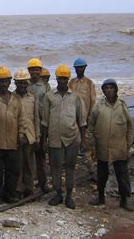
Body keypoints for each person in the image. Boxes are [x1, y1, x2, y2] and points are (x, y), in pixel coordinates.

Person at [42, 64, 86, 209]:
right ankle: (58, 194)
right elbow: (45, 121)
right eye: (60, 78)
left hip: (73, 137)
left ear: (67, 79)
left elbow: (82, 120)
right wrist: (43, 140)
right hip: (54, 137)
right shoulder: (49, 97)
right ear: (56, 78)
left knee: (70, 167)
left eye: (64, 78)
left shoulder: (75, 97)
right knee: (55, 168)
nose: (62, 81)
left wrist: (83, 140)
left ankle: (69, 196)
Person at [88, 78, 134, 211]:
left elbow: (130, 128)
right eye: (106, 88)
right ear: (103, 91)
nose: (109, 90)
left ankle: (124, 200)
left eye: (111, 88)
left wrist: (127, 146)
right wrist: (93, 145)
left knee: (122, 174)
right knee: (102, 174)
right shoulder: (99, 106)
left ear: (115, 90)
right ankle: (100, 197)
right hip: (102, 146)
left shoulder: (122, 106)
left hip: (119, 147)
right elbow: (91, 127)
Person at [0, 66, 27, 204]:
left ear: (10, 82)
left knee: (13, 169)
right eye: (1, 81)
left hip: (13, 142)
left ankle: (10, 194)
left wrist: (21, 134)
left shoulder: (16, 99)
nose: (4, 84)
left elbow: (21, 119)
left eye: (6, 81)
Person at [68, 58, 97, 179]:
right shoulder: (71, 83)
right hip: (72, 119)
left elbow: (93, 101)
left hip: (85, 119)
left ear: (85, 68)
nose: (79, 69)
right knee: (71, 143)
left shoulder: (89, 83)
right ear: (74, 69)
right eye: (77, 68)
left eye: (81, 67)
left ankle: (91, 168)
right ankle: (71, 169)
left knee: (86, 145)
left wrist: (90, 118)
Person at [13, 69, 39, 198]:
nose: (22, 86)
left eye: (24, 83)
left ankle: (29, 188)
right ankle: (18, 189)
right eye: (19, 83)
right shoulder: (12, 98)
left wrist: (38, 137)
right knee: (18, 164)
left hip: (30, 136)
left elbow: (36, 119)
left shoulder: (32, 98)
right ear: (15, 83)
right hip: (16, 137)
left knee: (29, 163)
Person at [27, 58, 51, 194]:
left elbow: (48, 106)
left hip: (42, 124)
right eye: (32, 69)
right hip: (29, 124)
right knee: (28, 155)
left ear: (40, 71)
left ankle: (43, 183)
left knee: (41, 154)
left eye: (37, 69)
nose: (35, 72)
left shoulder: (45, 86)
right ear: (29, 71)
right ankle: (29, 184)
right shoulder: (25, 85)